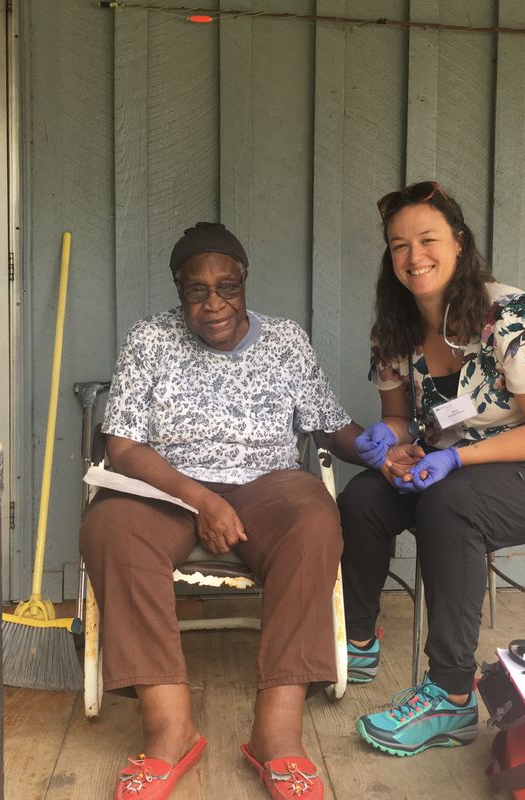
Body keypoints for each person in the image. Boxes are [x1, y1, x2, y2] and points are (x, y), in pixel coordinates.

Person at [80, 222, 363, 800]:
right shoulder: (149, 339)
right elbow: (125, 447)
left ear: (245, 283)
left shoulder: (286, 341)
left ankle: (278, 735)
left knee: (314, 521)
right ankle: (168, 730)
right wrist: (201, 498)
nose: (213, 305)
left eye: (226, 287)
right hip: (169, 488)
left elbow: (329, 424)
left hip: (268, 484)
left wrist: (385, 453)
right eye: (196, 291)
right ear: (178, 291)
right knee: (110, 526)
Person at [339, 181, 525, 757]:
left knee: (451, 506)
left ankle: (450, 697)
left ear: (458, 242)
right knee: (362, 499)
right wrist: (388, 442)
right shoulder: (393, 329)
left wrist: (453, 459)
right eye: (399, 245)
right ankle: (356, 641)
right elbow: (400, 417)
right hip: (446, 469)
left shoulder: (513, 315)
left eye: (427, 239)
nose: (414, 256)